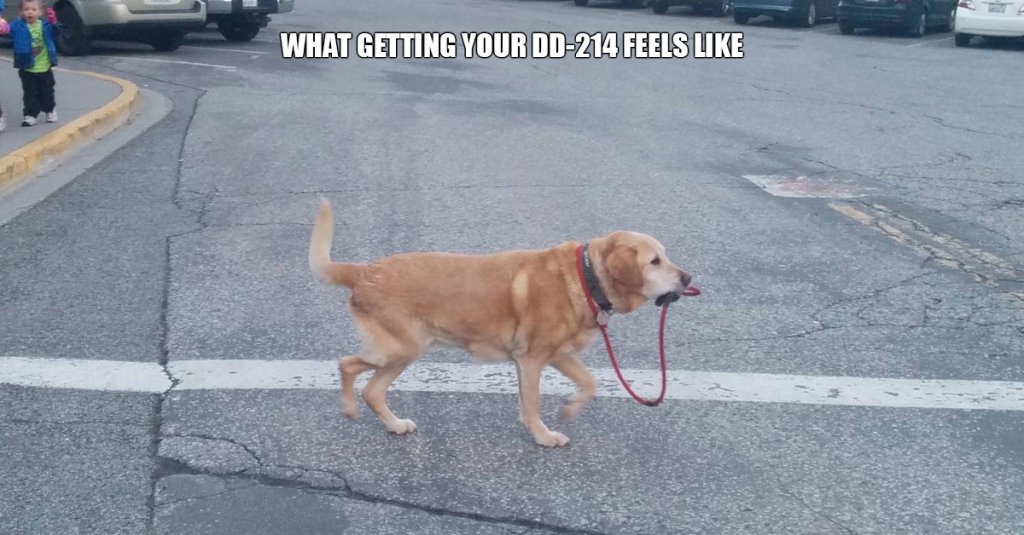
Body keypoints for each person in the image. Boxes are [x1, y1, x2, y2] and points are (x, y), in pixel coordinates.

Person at [3, 0, 60, 127]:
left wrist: (54, 22)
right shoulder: (17, 26)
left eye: (34, 10)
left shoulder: (45, 26)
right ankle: (30, 115)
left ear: (40, 12)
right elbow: (7, 31)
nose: (30, 12)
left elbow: (56, 34)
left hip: (44, 67)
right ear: (21, 12)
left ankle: (50, 110)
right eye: (26, 9)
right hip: (27, 67)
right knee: (29, 93)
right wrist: (3, 27)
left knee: (47, 92)